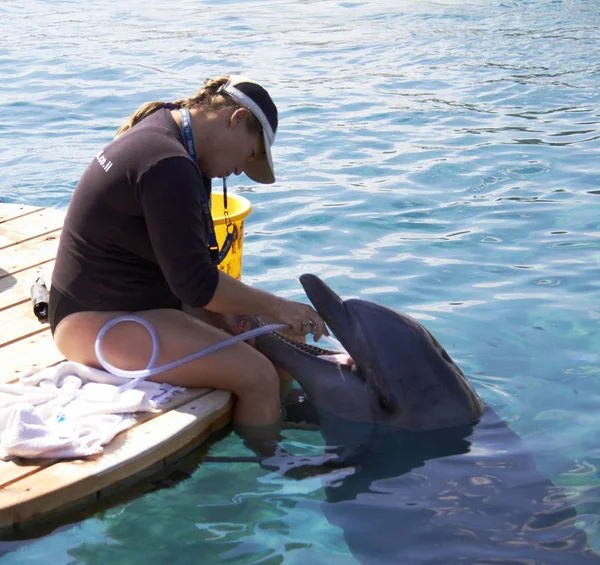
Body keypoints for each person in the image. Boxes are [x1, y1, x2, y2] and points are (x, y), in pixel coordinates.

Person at [49, 74, 328, 448]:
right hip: (93, 323)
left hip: (142, 304)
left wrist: (260, 314)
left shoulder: (174, 134)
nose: (243, 170)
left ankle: (261, 425)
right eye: (251, 154)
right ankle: (259, 481)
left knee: (276, 344)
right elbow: (198, 286)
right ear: (237, 119)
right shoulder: (168, 163)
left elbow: (193, 272)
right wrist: (278, 305)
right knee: (258, 376)